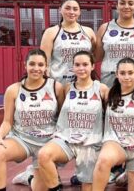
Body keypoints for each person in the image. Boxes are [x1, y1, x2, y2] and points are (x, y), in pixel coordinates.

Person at [37, 51, 108, 191]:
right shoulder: (68, 88)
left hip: (91, 143)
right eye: (77, 65)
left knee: (88, 187)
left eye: (85, 64)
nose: (81, 68)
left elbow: (109, 116)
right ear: (73, 67)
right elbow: (61, 111)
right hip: (67, 139)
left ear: (93, 66)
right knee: (43, 155)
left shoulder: (101, 89)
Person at [0, 49, 64, 191]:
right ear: (25, 65)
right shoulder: (13, 90)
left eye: (40, 65)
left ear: (46, 67)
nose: (36, 68)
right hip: (22, 139)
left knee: (40, 188)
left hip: (47, 141)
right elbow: (7, 121)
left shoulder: (55, 87)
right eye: (32, 64)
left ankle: (28, 177)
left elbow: (62, 119)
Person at [92, 57, 134, 191]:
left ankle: (128, 173)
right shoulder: (107, 93)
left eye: (130, 73)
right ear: (116, 74)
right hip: (116, 143)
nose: (126, 77)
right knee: (103, 160)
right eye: (122, 73)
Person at [40, 0, 97, 85]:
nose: (71, 12)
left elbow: (93, 55)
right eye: (67, 8)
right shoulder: (51, 32)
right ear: (60, 10)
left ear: (79, 12)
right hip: (58, 83)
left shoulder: (88, 32)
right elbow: (44, 62)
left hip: (83, 84)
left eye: (75, 9)